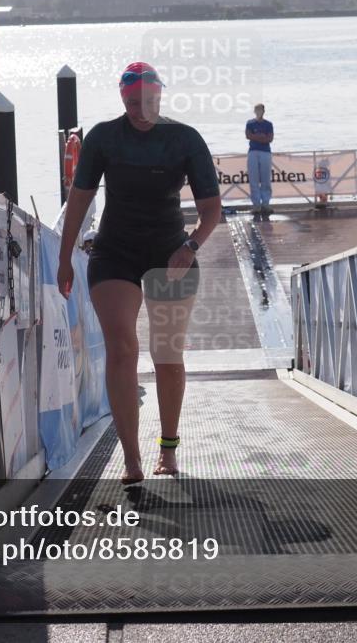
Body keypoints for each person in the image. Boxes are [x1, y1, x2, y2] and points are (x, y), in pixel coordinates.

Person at [57, 62, 223, 485]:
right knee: (122, 348)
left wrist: (190, 247)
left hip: (171, 253)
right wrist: (64, 258)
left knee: (167, 355)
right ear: (122, 99)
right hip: (115, 252)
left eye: (148, 101)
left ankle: (168, 449)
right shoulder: (104, 138)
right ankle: (131, 459)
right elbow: (79, 200)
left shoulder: (184, 139)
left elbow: (211, 210)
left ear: (160, 96)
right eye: (132, 103)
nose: (140, 110)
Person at [245, 103, 274, 215]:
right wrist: (261, 137)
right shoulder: (250, 123)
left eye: (260, 110)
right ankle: (256, 205)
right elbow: (248, 135)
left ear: (263, 111)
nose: (258, 112)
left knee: (266, 179)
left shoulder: (268, 124)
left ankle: (265, 204)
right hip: (253, 152)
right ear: (254, 111)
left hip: (265, 152)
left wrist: (256, 137)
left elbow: (269, 138)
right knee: (253, 179)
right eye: (257, 110)